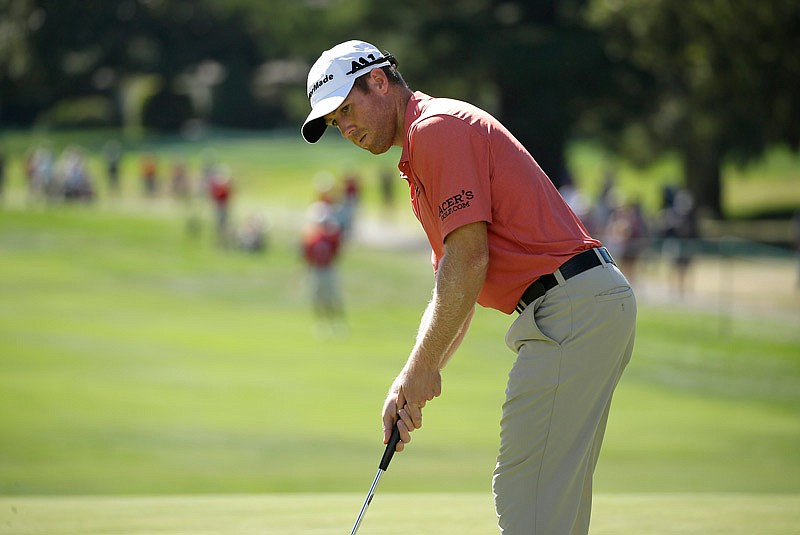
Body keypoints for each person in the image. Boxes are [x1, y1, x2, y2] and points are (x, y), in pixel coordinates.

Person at [301, 40, 637, 534]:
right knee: (552, 507)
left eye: (347, 109)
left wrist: (420, 372)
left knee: (527, 496)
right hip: (581, 305)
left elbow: (468, 260)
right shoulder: (421, 151)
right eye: (335, 123)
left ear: (378, 80)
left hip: (570, 307)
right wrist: (412, 377)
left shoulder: (435, 130)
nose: (346, 128)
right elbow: (454, 286)